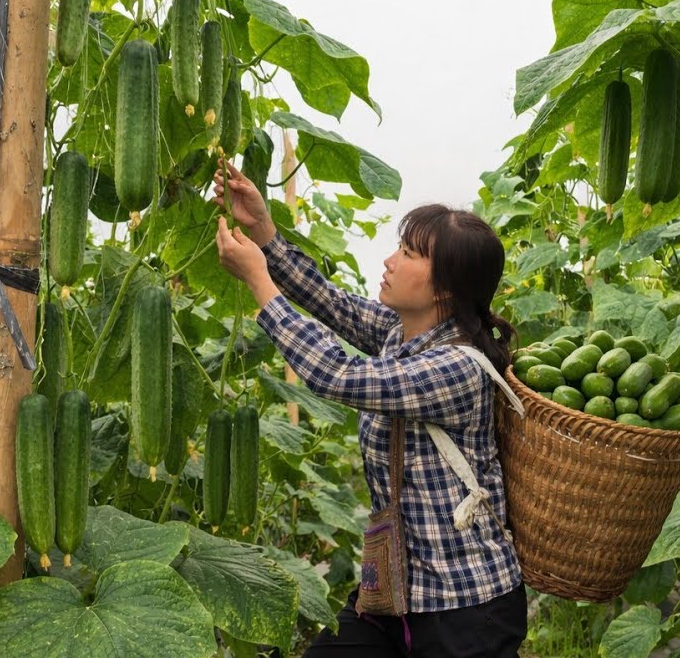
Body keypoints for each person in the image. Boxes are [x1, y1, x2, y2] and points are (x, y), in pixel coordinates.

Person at [212, 159, 527, 657]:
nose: (390, 261)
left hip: (466, 609)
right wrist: (264, 231)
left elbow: (337, 374)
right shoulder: (401, 335)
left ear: (444, 288)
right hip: (393, 594)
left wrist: (259, 284)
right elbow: (330, 302)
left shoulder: (457, 368)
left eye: (407, 254)